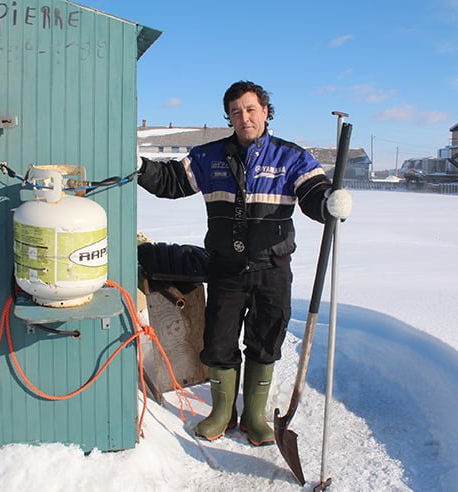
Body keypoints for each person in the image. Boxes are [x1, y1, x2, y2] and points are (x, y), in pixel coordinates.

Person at [137, 80, 352, 446]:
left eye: (251, 109)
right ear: (230, 117)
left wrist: (329, 202)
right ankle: (222, 412)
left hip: (272, 268)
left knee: (265, 340)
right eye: (236, 112)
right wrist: (139, 166)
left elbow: (313, 193)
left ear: (266, 112)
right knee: (219, 342)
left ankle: (254, 415)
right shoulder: (210, 157)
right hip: (225, 269)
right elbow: (172, 181)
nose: (244, 117)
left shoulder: (290, 157)